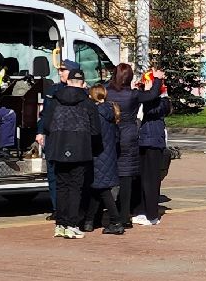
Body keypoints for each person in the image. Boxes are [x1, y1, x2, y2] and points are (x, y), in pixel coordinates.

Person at [38, 60, 98, 239]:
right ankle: (72, 224)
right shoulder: (87, 103)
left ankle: (61, 224)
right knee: (75, 188)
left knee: (62, 186)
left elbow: (46, 124)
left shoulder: (55, 100)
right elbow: (95, 130)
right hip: (79, 149)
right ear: (82, 84)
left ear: (68, 81)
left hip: (57, 148)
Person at [86, 83, 128, 234]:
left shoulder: (95, 112)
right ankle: (89, 220)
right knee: (97, 189)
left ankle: (116, 221)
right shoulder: (111, 111)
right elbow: (116, 136)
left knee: (102, 189)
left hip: (98, 154)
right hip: (109, 154)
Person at [107, 65, 145, 228]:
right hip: (129, 134)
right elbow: (151, 95)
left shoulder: (108, 91)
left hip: (110, 133)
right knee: (126, 178)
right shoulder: (133, 95)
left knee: (106, 176)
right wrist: (155, 82)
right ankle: (124, 216)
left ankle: (105, 214)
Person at [135, 70, 171, 225]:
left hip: (153, 142)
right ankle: (142, 211)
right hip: (141, 141)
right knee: (141, 179)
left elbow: (153, 110)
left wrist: (153, 89)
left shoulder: (162, 101)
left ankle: (152, 215)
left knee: (151, 180)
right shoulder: (143, 97)